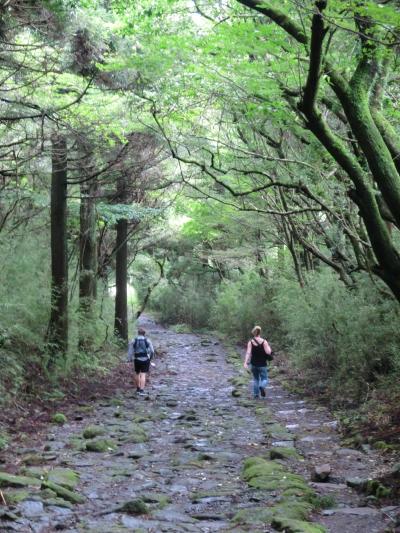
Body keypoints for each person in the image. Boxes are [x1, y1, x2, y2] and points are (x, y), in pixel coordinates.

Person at [243, 325, 272, 399]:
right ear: (260, 332)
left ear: (254, 333)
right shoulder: (264, 341)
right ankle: (262, 386)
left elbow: (248, 353)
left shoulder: (250, 342)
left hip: (253, 364)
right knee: (264, 379)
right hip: (262, 364)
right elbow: (268, 352)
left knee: (256, 379)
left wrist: (245, 362)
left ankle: (256, 395)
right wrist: (269, 347)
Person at [127, 327, 155, 395]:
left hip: (137, 359)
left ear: (138, 333)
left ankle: (138, 389)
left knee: (137, 373)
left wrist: (129, 359)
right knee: (143, 374)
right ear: (144, 334)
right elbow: (152, 351)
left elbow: (130, 351)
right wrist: (150, 358)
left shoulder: (134, 340)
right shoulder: (147, 340)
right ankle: (142, 390)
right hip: (145, 359)